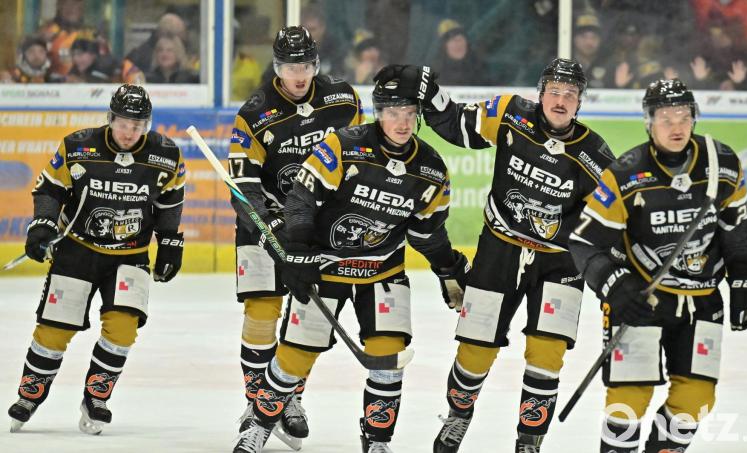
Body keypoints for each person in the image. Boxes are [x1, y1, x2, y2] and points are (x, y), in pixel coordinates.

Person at [376, 59, 615, 452]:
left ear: (579, 103)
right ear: (540, 94)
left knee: (547, 351)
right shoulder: (509, 114)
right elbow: (456, 124)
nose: (560, 100)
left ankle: (529, 440)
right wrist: (430, 90)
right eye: (554, 91)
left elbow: (608, 221)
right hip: (499, 249)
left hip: (559, 263)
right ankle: (458, 415)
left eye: (570, 95)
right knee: (475, 347)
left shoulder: (595, 155)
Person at [231, 70, 469, 453]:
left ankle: (376, 441)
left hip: (382, 270)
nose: (402, 122)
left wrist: (448, 267)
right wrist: (298, 251)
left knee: (388, 356)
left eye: (410, 112)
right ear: (377, 113)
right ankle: (258, 425)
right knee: (295, 352)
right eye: (393, 113)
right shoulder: (342, 145)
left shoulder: (431, 169)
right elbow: (302, 199)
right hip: (326, 264)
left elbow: (426, 232)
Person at [568, 79, 747, 453]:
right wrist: (616, 287)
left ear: (694, 119)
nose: (676, 126)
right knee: (628, 401)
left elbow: (737, 231)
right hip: (642, 300)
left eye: (684, 116)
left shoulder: (722, 164)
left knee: (696, 402)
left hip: (702, 301)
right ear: (648, 121)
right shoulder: (625, 174)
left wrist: (745, 282)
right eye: (665, 117)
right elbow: (584, 243)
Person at [6, 84, 186, 435]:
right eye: (123, 123)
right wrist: (42, 225)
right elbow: (49, 189)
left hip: (130, 255)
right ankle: (31, 395)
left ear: (147, 125)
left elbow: (170, 201)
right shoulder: (77, 146)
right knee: (54, 329)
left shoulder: (165, 153)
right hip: (77, 249)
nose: (130, 132)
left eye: (138, 125)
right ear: (110, 119)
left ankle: (96, 397)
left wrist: (170, 242)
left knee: (123, 328)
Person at [226, 25, 363, 449]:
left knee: (302, 315)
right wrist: (268, 225)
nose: (297, 75)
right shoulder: (254, 112)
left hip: (315, 225)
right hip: (264, 223)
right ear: (276, 66)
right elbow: (242, 186)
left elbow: (360, 159)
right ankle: (257, 401)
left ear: (316, 64)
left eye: (304, 65)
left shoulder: (343, 99)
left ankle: (290, 398)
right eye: (289, 66)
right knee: (262, 310)